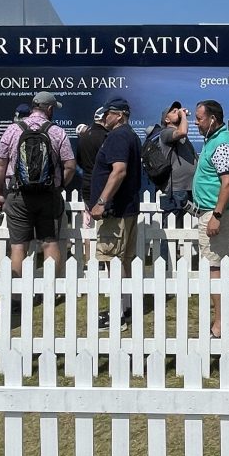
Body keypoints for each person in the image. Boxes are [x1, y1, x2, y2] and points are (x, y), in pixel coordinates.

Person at [0, 92, 75, 285]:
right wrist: (59, 186)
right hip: (48, 196)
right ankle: (50, 291)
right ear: (50, 109)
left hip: (18, 195)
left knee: (19, 246)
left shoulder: (13, 130)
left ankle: (16, 298)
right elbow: (70, 166)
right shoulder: (57, 132)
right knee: (49, 242)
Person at [191, 99, 229, 339]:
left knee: (215, 267)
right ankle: (224, 318)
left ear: (212, 119)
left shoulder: (221, 144)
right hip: (213, 210)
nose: (196, 122)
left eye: (199, 118)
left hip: (218, 212)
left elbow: (228, 182)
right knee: (220, 264)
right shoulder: (214, 141)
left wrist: (216, 215)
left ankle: (221, 324)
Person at [90, 97, 142, 331]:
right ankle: (126, 307)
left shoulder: (119, 136)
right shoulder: (129, 135)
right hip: (126, 208)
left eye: (108, 114)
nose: (104, 118)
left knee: (112, 259)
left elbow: (119, 171)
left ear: (119, 115)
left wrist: (102, 201)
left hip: (116, 210)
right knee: (123, 259)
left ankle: (117, 314)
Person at [157, 101, 198, 226]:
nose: (178, 112)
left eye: (178, 110)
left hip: (188, 188)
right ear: (167, 119)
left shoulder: (182, 137)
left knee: (185, 228)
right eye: (174, 111)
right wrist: (183, 116)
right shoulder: (166, 133)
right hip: (176, 189)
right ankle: (167, 247)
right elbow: (182, 132)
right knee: (172, 228)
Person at [77, 105, 108, 215]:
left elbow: (79, 161)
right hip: (102, 186)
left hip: (87, 184)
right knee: (107, 226)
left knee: (91, 222)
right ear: (104, 118)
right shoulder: (106, 136)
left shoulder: (83, 137)